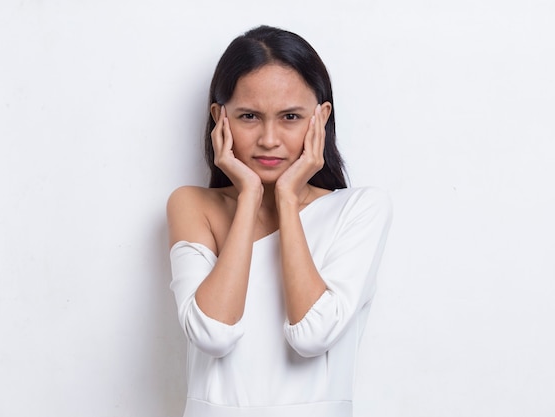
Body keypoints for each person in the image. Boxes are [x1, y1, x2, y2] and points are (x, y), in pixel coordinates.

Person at [167, 25, 392, 417]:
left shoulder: (360, 210)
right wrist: (251, 195)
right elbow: (213, 334)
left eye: (290, 116)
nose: (269, 139)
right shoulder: (193, 205)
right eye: (249, 116)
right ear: (220, 119)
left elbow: (313, 334)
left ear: (321, 118)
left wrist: (287, 198)